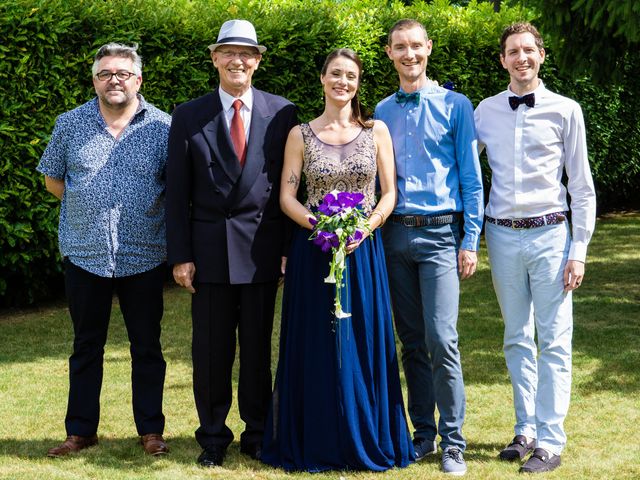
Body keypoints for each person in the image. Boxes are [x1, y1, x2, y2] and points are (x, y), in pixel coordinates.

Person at [261, 48, 414, 472]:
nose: (342, 82)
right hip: (315, 253)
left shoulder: (376, 130)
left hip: (362, 254)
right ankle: (318, 435)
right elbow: (286, 196)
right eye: (335, 74)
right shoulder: (300, 135)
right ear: (322, 79)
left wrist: (365, 228)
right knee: (317, 340)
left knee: (363, 338)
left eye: (350, 76)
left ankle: (366, 433)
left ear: (358, 83)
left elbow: (389, 192)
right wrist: (319, 227)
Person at [165, 19, 297, 467]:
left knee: (258, 350)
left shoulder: (282, 112)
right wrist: (180, 256)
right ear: (214, 58)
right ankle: (213, 439)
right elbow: (177, 193)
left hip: (261, 251)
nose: (237, 60)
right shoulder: (188, 114)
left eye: (247, 53)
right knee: (211, 352)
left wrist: (284, 250)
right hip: (209, 255)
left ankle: (257, 433)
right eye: (228, 52)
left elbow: (287, 190)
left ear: (258, 61)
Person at [37, 43, 171, 458]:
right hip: (85, 252)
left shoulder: (163, 127)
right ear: (94, 80)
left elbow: (174, 185)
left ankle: (150, 430)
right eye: (105, 73)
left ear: (139, 80)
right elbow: (53, 180)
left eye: (123, 73)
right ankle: (80, 431)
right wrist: (87, 207)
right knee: (85, 346)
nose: (114, 80)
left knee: (147, 347)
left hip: (144, 253)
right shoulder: (70, 124)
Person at [474, 22, 596, 474]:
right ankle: (524, 429)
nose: (521, 57)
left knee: (555, 339)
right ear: (503, 59)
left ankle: (550, 438)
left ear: (541, 55)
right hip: (501, 234)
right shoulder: (484, 112)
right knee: (516, 337)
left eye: (529, 50)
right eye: (513, 51)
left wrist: (578, 248)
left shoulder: (567, 110)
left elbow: (581, 187)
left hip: (550, 235)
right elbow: (466, 172)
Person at [374, 19, 484, 476]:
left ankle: (454, 439)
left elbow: (472, 177)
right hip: (395, 234)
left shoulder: (457, 106)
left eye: (416, 46)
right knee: (412, 342)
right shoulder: (381, 110)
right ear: (389, 53)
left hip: (442, 234)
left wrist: (470, 238)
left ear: (429, 48)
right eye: (400, 47)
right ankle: (422, 434)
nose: (409, 54)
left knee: (443, 339)